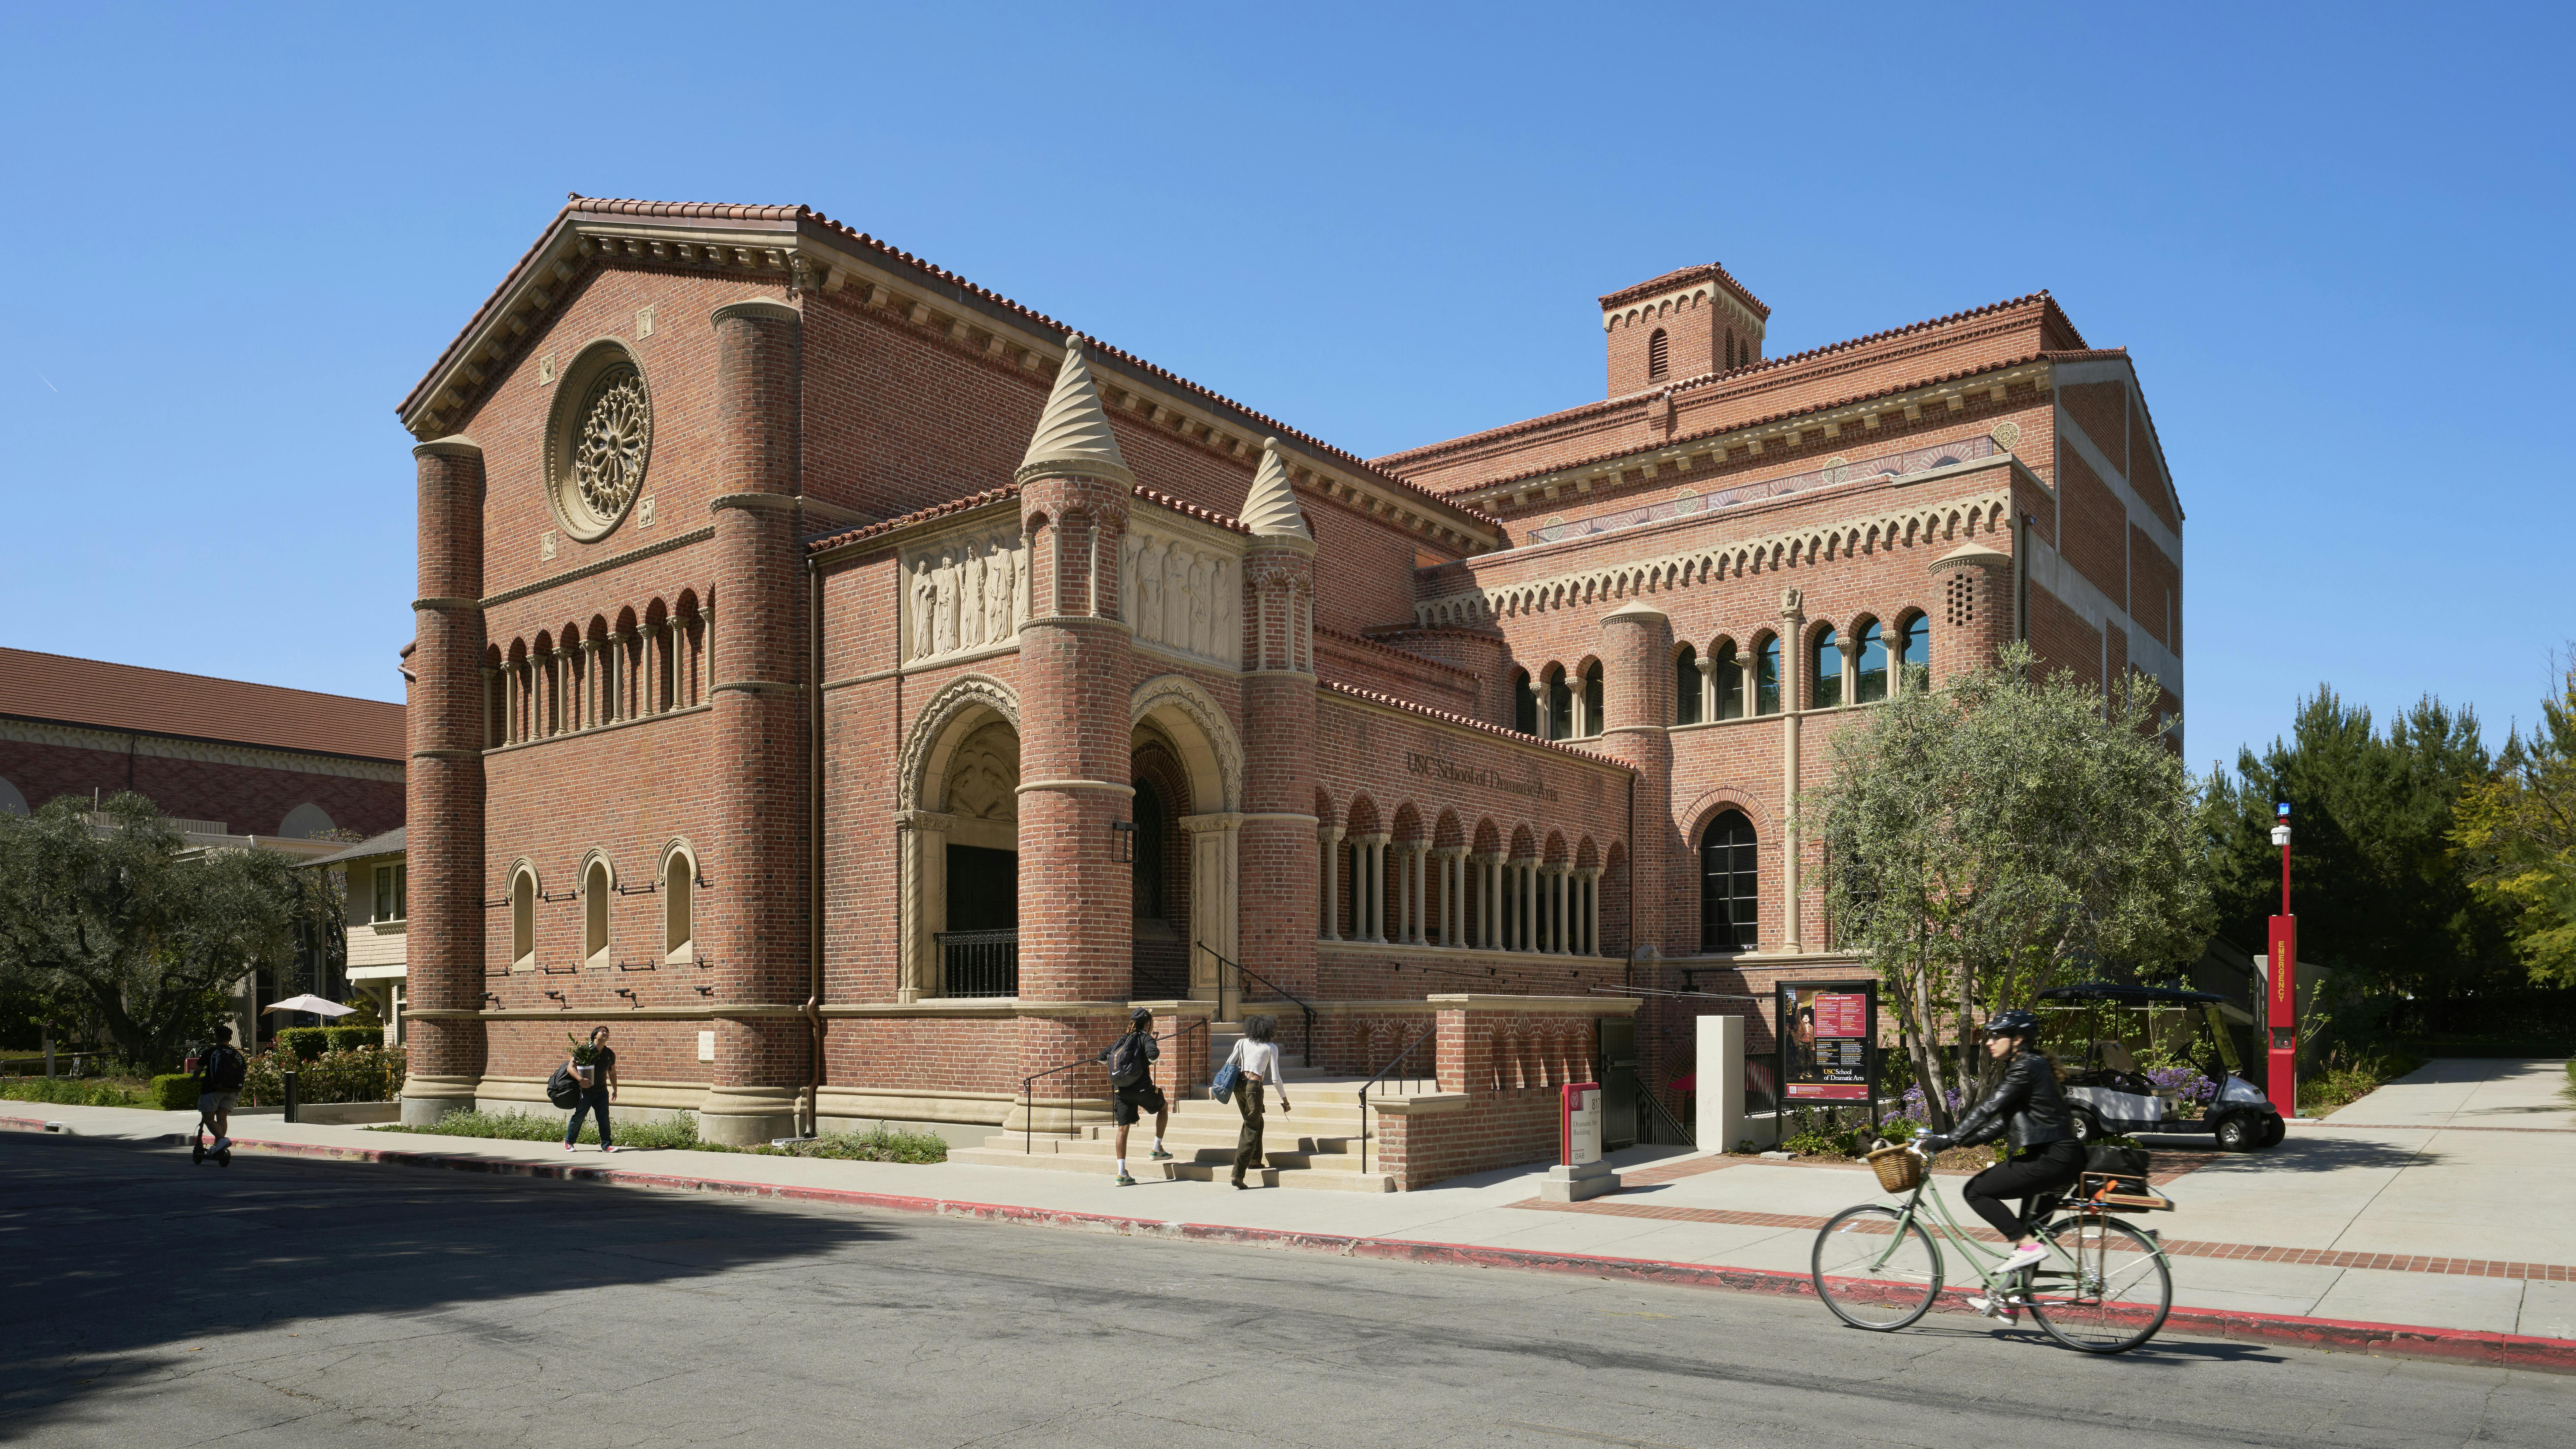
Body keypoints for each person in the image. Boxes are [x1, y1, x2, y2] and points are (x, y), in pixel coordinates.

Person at [1915, 1008, 2080, 1317]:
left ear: (2017, 1039)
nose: (1989, 1042)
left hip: (2050, 1158)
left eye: (1996, 1036)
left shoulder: (2026, 1066)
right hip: (2061, 1158)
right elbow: (2004, 1122)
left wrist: (1949, 1138)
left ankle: (2026, 1252)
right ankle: (2011, 1298)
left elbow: (1988, 1107)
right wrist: (1965, 1140)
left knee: (1976, 1191)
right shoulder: (2031, 1065)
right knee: (2030, 1231)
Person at [1096, 1008, 1170, 1185]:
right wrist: (1149, 1059)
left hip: (1121, 1091)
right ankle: (1157, 1149)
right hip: (1142, 1089)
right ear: (1147, 1024)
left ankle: (1122, 1174)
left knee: (1122, 1130)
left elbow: (1102, 1058)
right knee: (1164, 1107)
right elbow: (1154, 1056)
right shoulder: (1146, 1038)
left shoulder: (1122, 1040)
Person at [1220, 1015, 1293, 1190]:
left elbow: (1229, 1063)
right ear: (1269, 1030)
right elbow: (1276, 1079)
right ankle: (1238, 1175)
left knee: (1257, 1122)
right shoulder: (1271, 1048)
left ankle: (1255, 1159)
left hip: (1239, 1086)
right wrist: (1285, 1100)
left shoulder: (1242, 1043)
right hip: (1254, 1088)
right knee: (1251, 1128)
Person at [563, 1025, 620, 1153]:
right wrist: (581, 1080)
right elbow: (571, 1068)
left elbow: (612, 1073)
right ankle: (569, 1142)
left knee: (604, 1118)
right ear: (595, 1035)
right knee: (580, 1116)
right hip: (586, 1090)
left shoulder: (609, 1054)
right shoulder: (584, 1050)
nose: (606, 1033)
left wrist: (615, 1090)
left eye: (607, 1032)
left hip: (602, 1091)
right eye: (602, 1031)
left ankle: (607, 1145)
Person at [196, 1024, 248, 1153]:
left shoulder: (210, 1052)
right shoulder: (237, 1055)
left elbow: (197, 1071)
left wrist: (196, 1078)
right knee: (222, 1118)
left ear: (217, 1037)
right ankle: (218, 1145)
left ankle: (222, 1139)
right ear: (230, 1038)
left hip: (213, 1089)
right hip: (232, 1090)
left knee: (208, 1118)